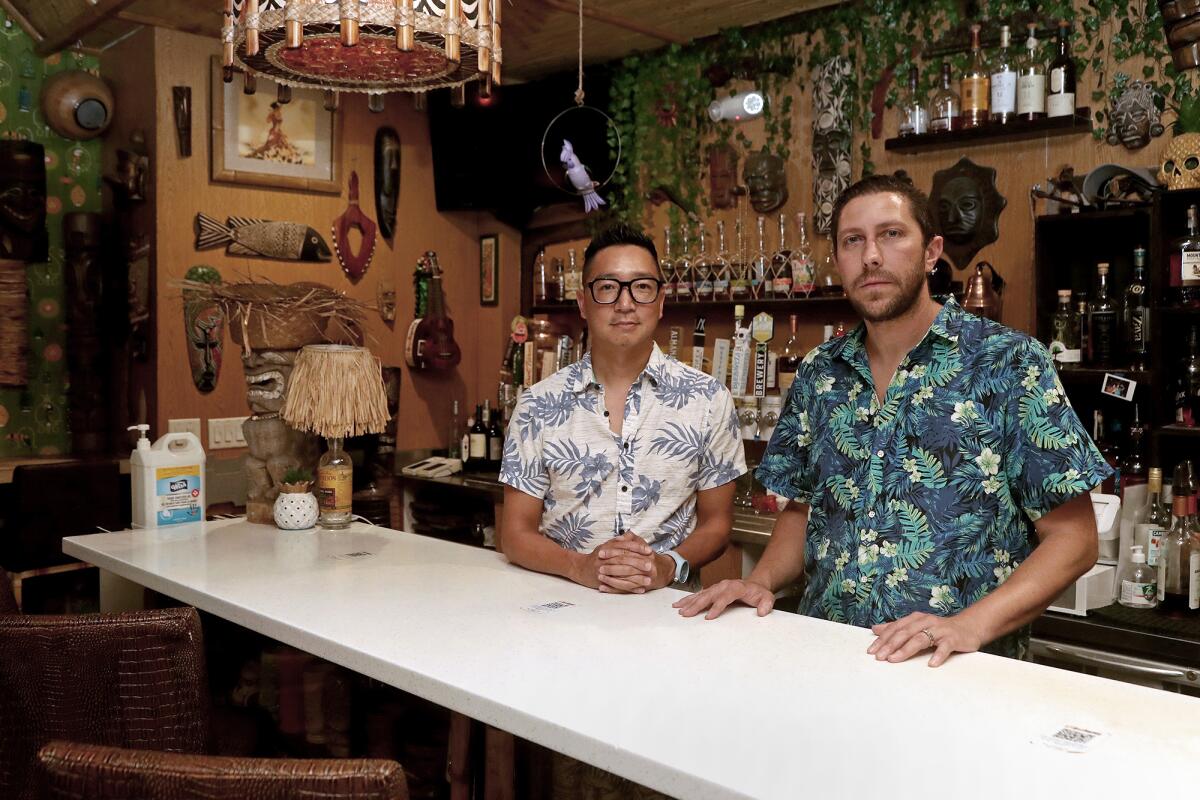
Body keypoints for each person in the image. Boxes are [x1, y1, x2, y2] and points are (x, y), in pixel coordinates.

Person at [675, 174, 1110, 666]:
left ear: (931, 252)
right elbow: (804, 511)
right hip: (829, 661)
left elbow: (1075, 540)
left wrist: (969, 625)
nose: (871, 256)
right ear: (838, 261)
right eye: (852, 241)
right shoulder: (821, 374)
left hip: (955, 671)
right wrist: (757, 583)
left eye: (892, 234)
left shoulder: (1008, 363)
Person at [500, 222, 746, 595]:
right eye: (608, 288)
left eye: (642, 287)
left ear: (661, 301)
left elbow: (717, 526)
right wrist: (578, 566)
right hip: (560, 611)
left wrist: (668, 565)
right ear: (583, 302)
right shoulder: (537, 404)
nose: (625, 303)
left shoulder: (708, 400)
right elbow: (515, 534)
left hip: (669, 616)